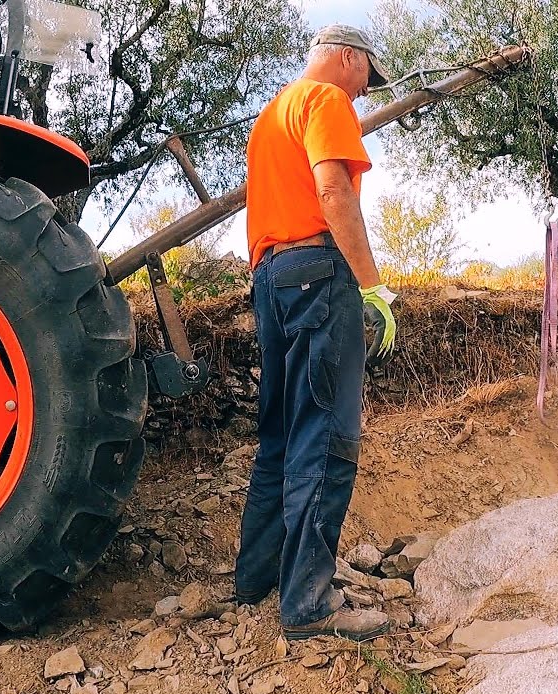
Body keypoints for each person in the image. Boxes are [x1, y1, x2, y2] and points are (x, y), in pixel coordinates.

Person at [234, 24, 399, 641]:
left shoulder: (270, 115)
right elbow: (333, 192)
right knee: (328, 433)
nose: (363, 92)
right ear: (349, 59)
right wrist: (373, 286)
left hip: (271, 278)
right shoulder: (326, 100)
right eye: (366, 76)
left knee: (280, 431)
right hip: (318, 271)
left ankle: (255, 579)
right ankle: (308, 604)